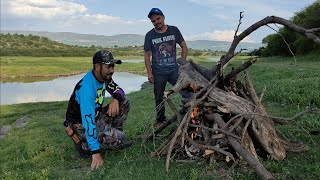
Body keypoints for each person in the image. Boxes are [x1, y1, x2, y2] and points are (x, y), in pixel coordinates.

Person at [64, 50, 132, 170]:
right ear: (97, 66)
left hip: (96, 117)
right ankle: (83, 145)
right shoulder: (87, 87)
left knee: (124, 101)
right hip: (80, 124)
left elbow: (119, 91)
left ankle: (112, 132)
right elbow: (88, 121)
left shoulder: (105, 77)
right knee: (119, 138)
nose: (112, 70)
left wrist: (115, 99)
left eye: (113, 66)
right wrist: (95, 153)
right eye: (108, 66)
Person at [144, 8, 190, 128]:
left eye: (158, 19)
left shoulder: (174, 30)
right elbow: (147, 55)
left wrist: (183, 64)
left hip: (174, 70)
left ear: (163, 17)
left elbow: (184, 46)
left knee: (186, 91)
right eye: (153, 21)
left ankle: (190, 112)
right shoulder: (149, 35)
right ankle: (160, 121)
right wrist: (149, 73)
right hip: (158, 72)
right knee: (159, 97)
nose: (156, 22)